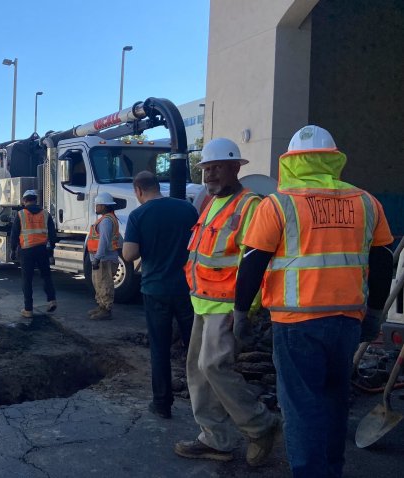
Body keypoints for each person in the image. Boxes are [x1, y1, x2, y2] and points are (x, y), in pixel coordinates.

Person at [236, 125, 394, 478]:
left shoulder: (279, 203)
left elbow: (253, 261)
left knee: (301, 407)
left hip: (296, 324)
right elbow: (384, 259)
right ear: (333, 160)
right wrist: (374, 312)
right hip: (346, 320)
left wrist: (241, 311)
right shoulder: (366, 201)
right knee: (335, 401)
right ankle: (330, 471)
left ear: (291, 161)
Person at [176, 138, 279, 466]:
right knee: (197, 371)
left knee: (213, 366)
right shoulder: (211, 201)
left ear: (236, 167)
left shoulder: (251, 205)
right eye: (206, 168)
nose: (210, 174)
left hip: (227, 304)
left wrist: (246, 309)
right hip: (203, 302)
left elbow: (257, 261)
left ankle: (260, 424)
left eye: (218, 167)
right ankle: (215, 438)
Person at [122, 171, 198, 419]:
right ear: (157, 186)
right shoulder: (186, 209)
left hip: (155, 290)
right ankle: (203, 402)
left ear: (138, 190)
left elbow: (130, 254)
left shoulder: (138, 215)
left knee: (160, 348)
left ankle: (162, 404)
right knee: (195, 348)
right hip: (188, 288)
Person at [10, 190, 57, 318]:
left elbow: (14, 235)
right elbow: (52, 235)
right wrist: (51, 249)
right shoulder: (46, 214)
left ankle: (28, 309)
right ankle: (51, 300)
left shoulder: (21, 214)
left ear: (24, 201)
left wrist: (13, 250)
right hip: (42, 249)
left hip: (27, 251)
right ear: (36, 200)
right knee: (46, 276)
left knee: (27, 280)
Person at [86, 192, 122, 320]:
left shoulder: (106, 221)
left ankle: (106, 310)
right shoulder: (109, 219)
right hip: (103, 258)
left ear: (104, 206)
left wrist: (97, 258)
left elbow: (104, 242)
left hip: (104, 259)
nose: (96, 207)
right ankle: (101, 306)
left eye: (98, 205)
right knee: (99, 283)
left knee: (105, 284)